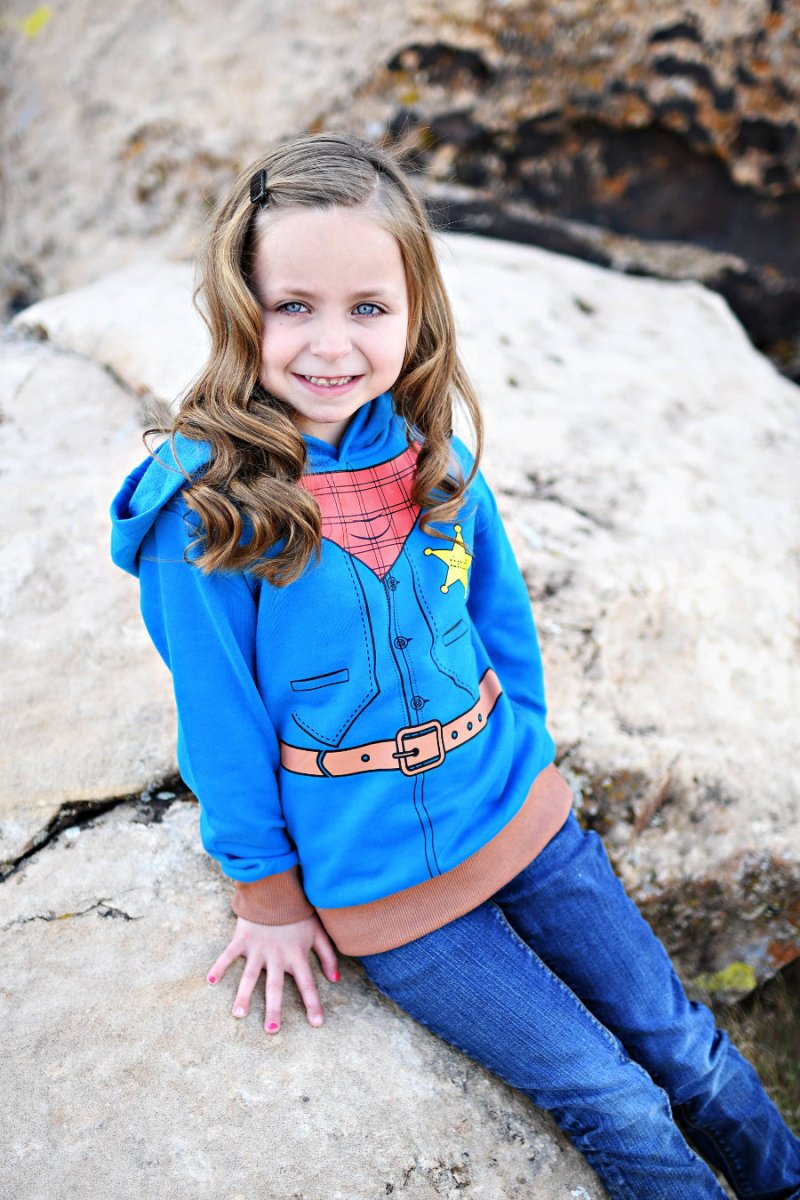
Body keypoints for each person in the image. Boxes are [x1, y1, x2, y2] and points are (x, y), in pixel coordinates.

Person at [110, 131, 800, 1199]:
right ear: (236, 303)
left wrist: (526, 759)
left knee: (685, 1048)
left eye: (366, 308)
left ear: (414, 310)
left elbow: (499, 618)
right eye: (292, 305)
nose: (330, 344)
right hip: (391, 891)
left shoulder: (426, 453)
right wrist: (269, 897)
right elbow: (220, 720)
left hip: (525, 823)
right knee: (608, 1093)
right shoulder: (203, 513)